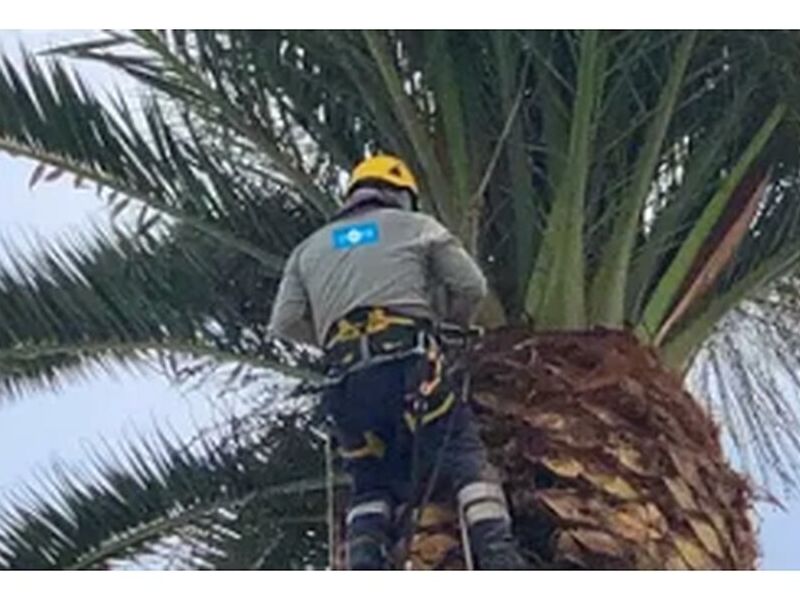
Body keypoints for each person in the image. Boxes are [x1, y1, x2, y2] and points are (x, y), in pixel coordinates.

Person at [268, 155, 525, 570]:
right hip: (411, 371)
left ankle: (366, 565)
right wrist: (450, 326)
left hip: (347, 387)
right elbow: (471, 286)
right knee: (464, 456)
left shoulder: (306, 251)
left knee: (370, 481)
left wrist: (340, 342)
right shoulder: (418, 227)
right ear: (402, 195)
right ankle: (499, 559)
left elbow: (284, 324)